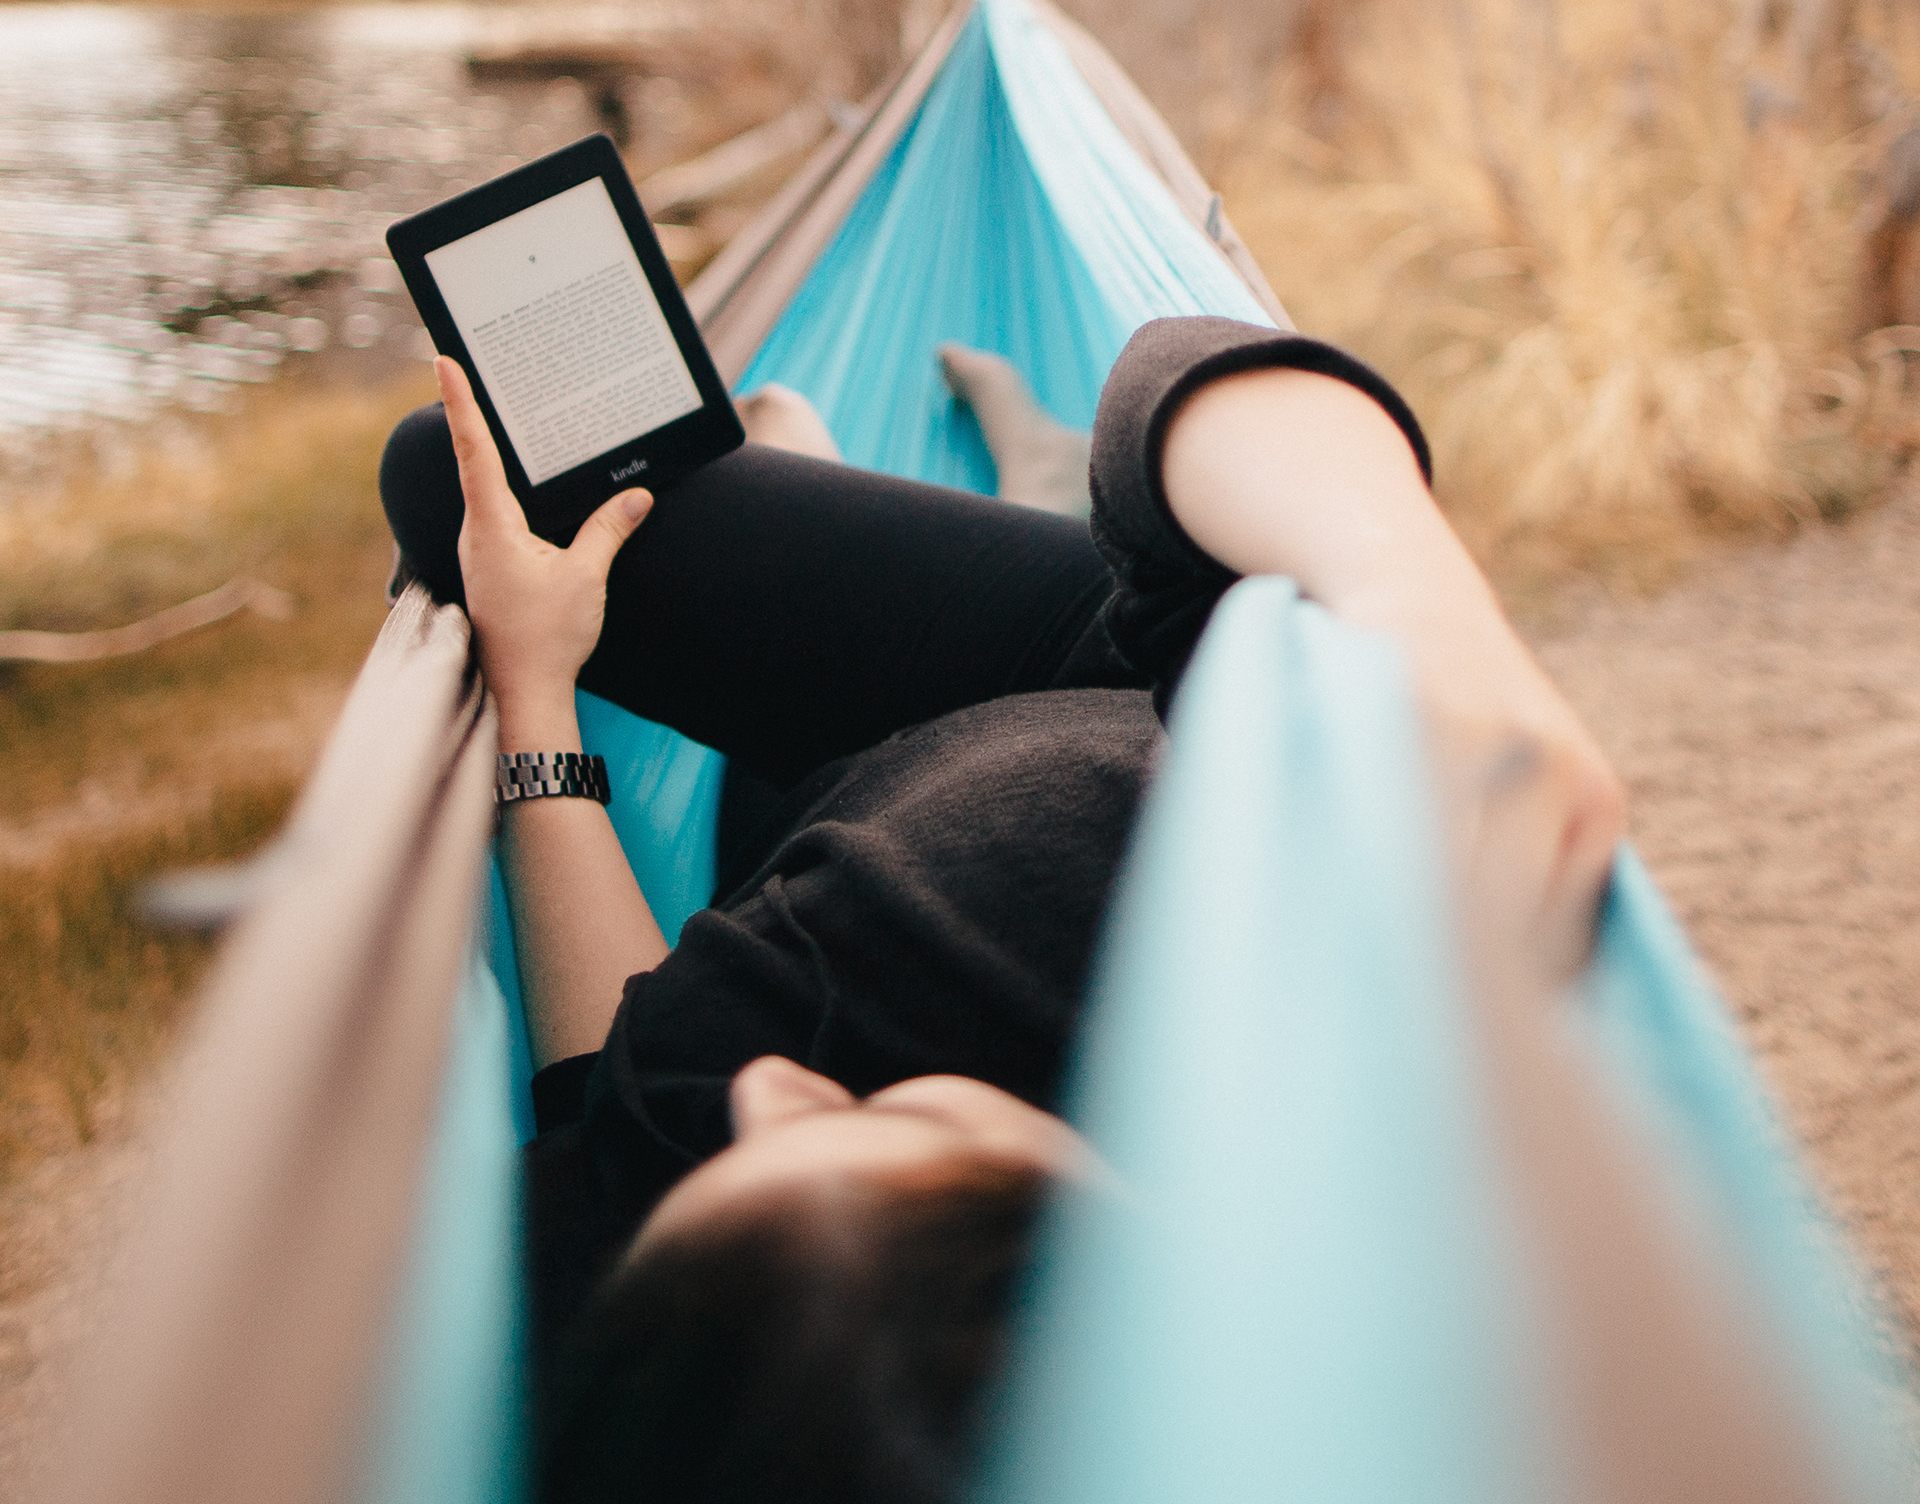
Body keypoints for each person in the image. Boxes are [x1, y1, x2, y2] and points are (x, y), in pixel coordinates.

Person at [379, 318, 1624, 1504]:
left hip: (822, 809)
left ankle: (854, 491)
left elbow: (613, 1122)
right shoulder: (1299, 1012)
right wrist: (1408, 605)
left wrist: (535, 691)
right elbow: (1174, 391)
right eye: (883, 1112)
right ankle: (997, 472)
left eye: (732, 1164)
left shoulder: (706, 1375)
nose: (763, 1092)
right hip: (1079, 670)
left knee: (451, 480)